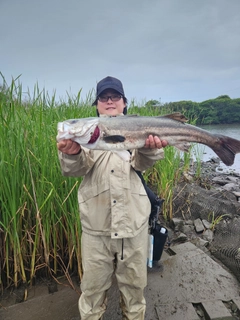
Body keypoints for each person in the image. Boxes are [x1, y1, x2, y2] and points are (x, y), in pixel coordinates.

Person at [57, 76, 167, 320]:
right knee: (92, 291)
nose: (109, 101)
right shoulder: (86, 135)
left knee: (134, 289)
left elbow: (142, 163)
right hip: (96, 227)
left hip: (133, 225)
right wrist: (73, 154)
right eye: (103, 97)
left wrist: (148, 147)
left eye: (114, 96)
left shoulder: (138, 127)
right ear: (96, 104)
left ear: (124, 102)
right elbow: (73, 170)